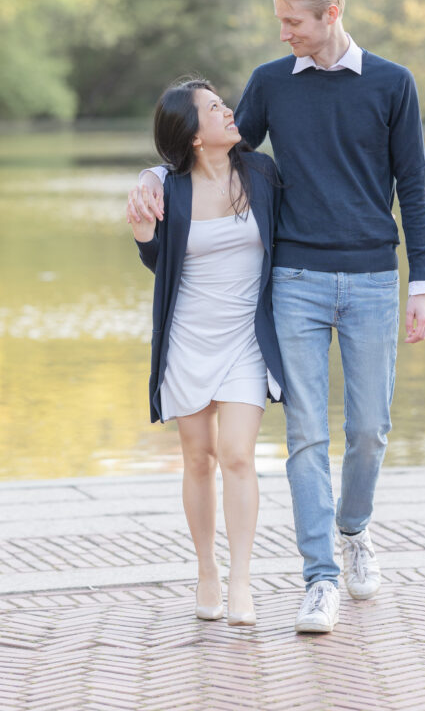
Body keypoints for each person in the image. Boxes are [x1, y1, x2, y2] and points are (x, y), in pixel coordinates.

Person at [128, 0, 425, 634]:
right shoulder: (271, 83)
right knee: (304, 436)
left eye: (291, 21)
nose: (283, 33)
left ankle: (352, 529)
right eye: (278, 21)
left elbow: (411, 187)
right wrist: (152, 173)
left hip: (372, 280)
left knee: (367, 430)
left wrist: (423, 284)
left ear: (330, 14)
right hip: (293, 281)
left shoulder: (391, 83)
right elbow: (211, 148)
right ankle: (318, 576)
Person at [127, 78, 285, 628]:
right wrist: (146, 236)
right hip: (188, 340)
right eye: (215, 108)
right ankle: (207, 571)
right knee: (198, 458)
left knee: (238, 454)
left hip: (246, 340)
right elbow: (160, 265)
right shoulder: (168, 190)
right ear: (194, 135)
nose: (228, 111)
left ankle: (241, 578)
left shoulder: (260, 174)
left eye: (224, 104)